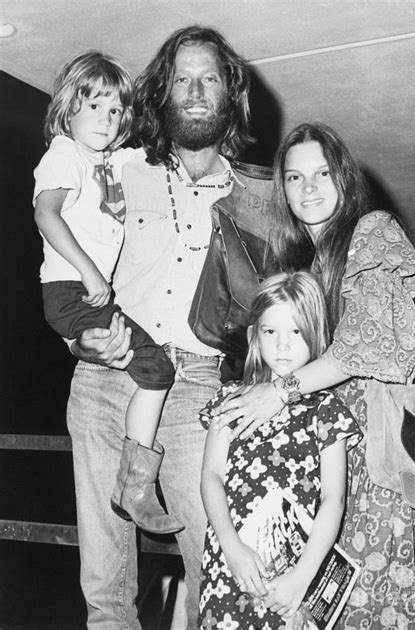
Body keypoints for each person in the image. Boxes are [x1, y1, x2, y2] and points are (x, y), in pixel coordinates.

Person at [66, 27, 274, 628]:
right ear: (164, 93)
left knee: (216, 570)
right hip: (105, 381)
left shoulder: (257, 196)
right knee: (104, 588)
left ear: (231, 94)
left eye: (208, 77)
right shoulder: (121, 169)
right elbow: (70, 256)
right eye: (181, 78)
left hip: (195, 392)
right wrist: (78, 335)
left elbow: (288, 304)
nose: (194, 90)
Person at [216, 122, 415, 628]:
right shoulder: (308, 265)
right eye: (294, 178)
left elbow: (372, 344)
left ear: (345, 179)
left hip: (380, 461)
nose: (308, 187)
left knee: (374, 608)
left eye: (322, 173)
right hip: (326, 462)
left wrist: (280, 391)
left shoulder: (374, 230)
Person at [33, 51, 181, 535]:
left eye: (115, 110)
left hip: (89, 293)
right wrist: (91, 273)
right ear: (68, 110)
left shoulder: (110, 160)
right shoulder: (64, 154)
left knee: (151, 369)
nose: (105, 118)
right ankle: (135, 487)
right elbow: (46, 215)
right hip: (73, 290)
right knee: (157, 368)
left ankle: (132, 483)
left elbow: (160, 144)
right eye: (93, 105)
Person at [198, 271, 361, 629]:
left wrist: (302, 578)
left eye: (296, 332)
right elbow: (211, 477)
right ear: (255, 335)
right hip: (233, 564)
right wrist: (231, 547)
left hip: (295, 575)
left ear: (315, 334)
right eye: (271, 332)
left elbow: (334, 499)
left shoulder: (326, 408)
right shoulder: (229, 399)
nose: (283, 346)